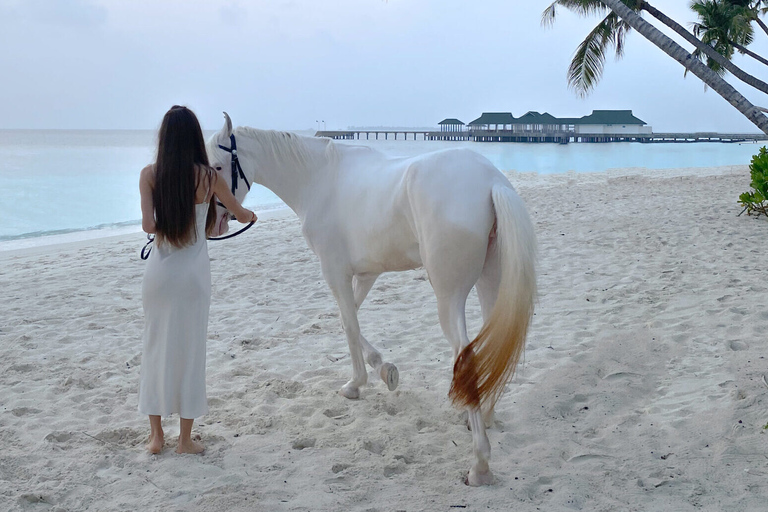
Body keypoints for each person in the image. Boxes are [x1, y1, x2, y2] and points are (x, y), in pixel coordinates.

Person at [138, 105, 257, 454]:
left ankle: (156, 437)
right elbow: (238, 212)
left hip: (159, 275)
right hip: (192, 278)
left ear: (164, 138)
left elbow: (148, 225)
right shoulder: (208, 177)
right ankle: (185, 440)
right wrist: (250, 215)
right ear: (193, 138)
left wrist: (170, 226)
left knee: (155, 348)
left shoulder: (149, 174)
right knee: (191, 352)